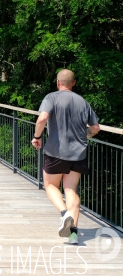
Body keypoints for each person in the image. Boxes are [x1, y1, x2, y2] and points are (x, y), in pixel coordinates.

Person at [31, 69, 100, 245]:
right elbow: (95, 128)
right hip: (78, 154)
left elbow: (42, 119)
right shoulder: (83, 101)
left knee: (50, 185)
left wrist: (37, 137)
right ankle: (73, 235)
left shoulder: (51, 97)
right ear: (74, 83)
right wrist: (85, 135)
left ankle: (64, 213)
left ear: (57, 82)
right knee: (71, 190)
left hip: (55, 152)